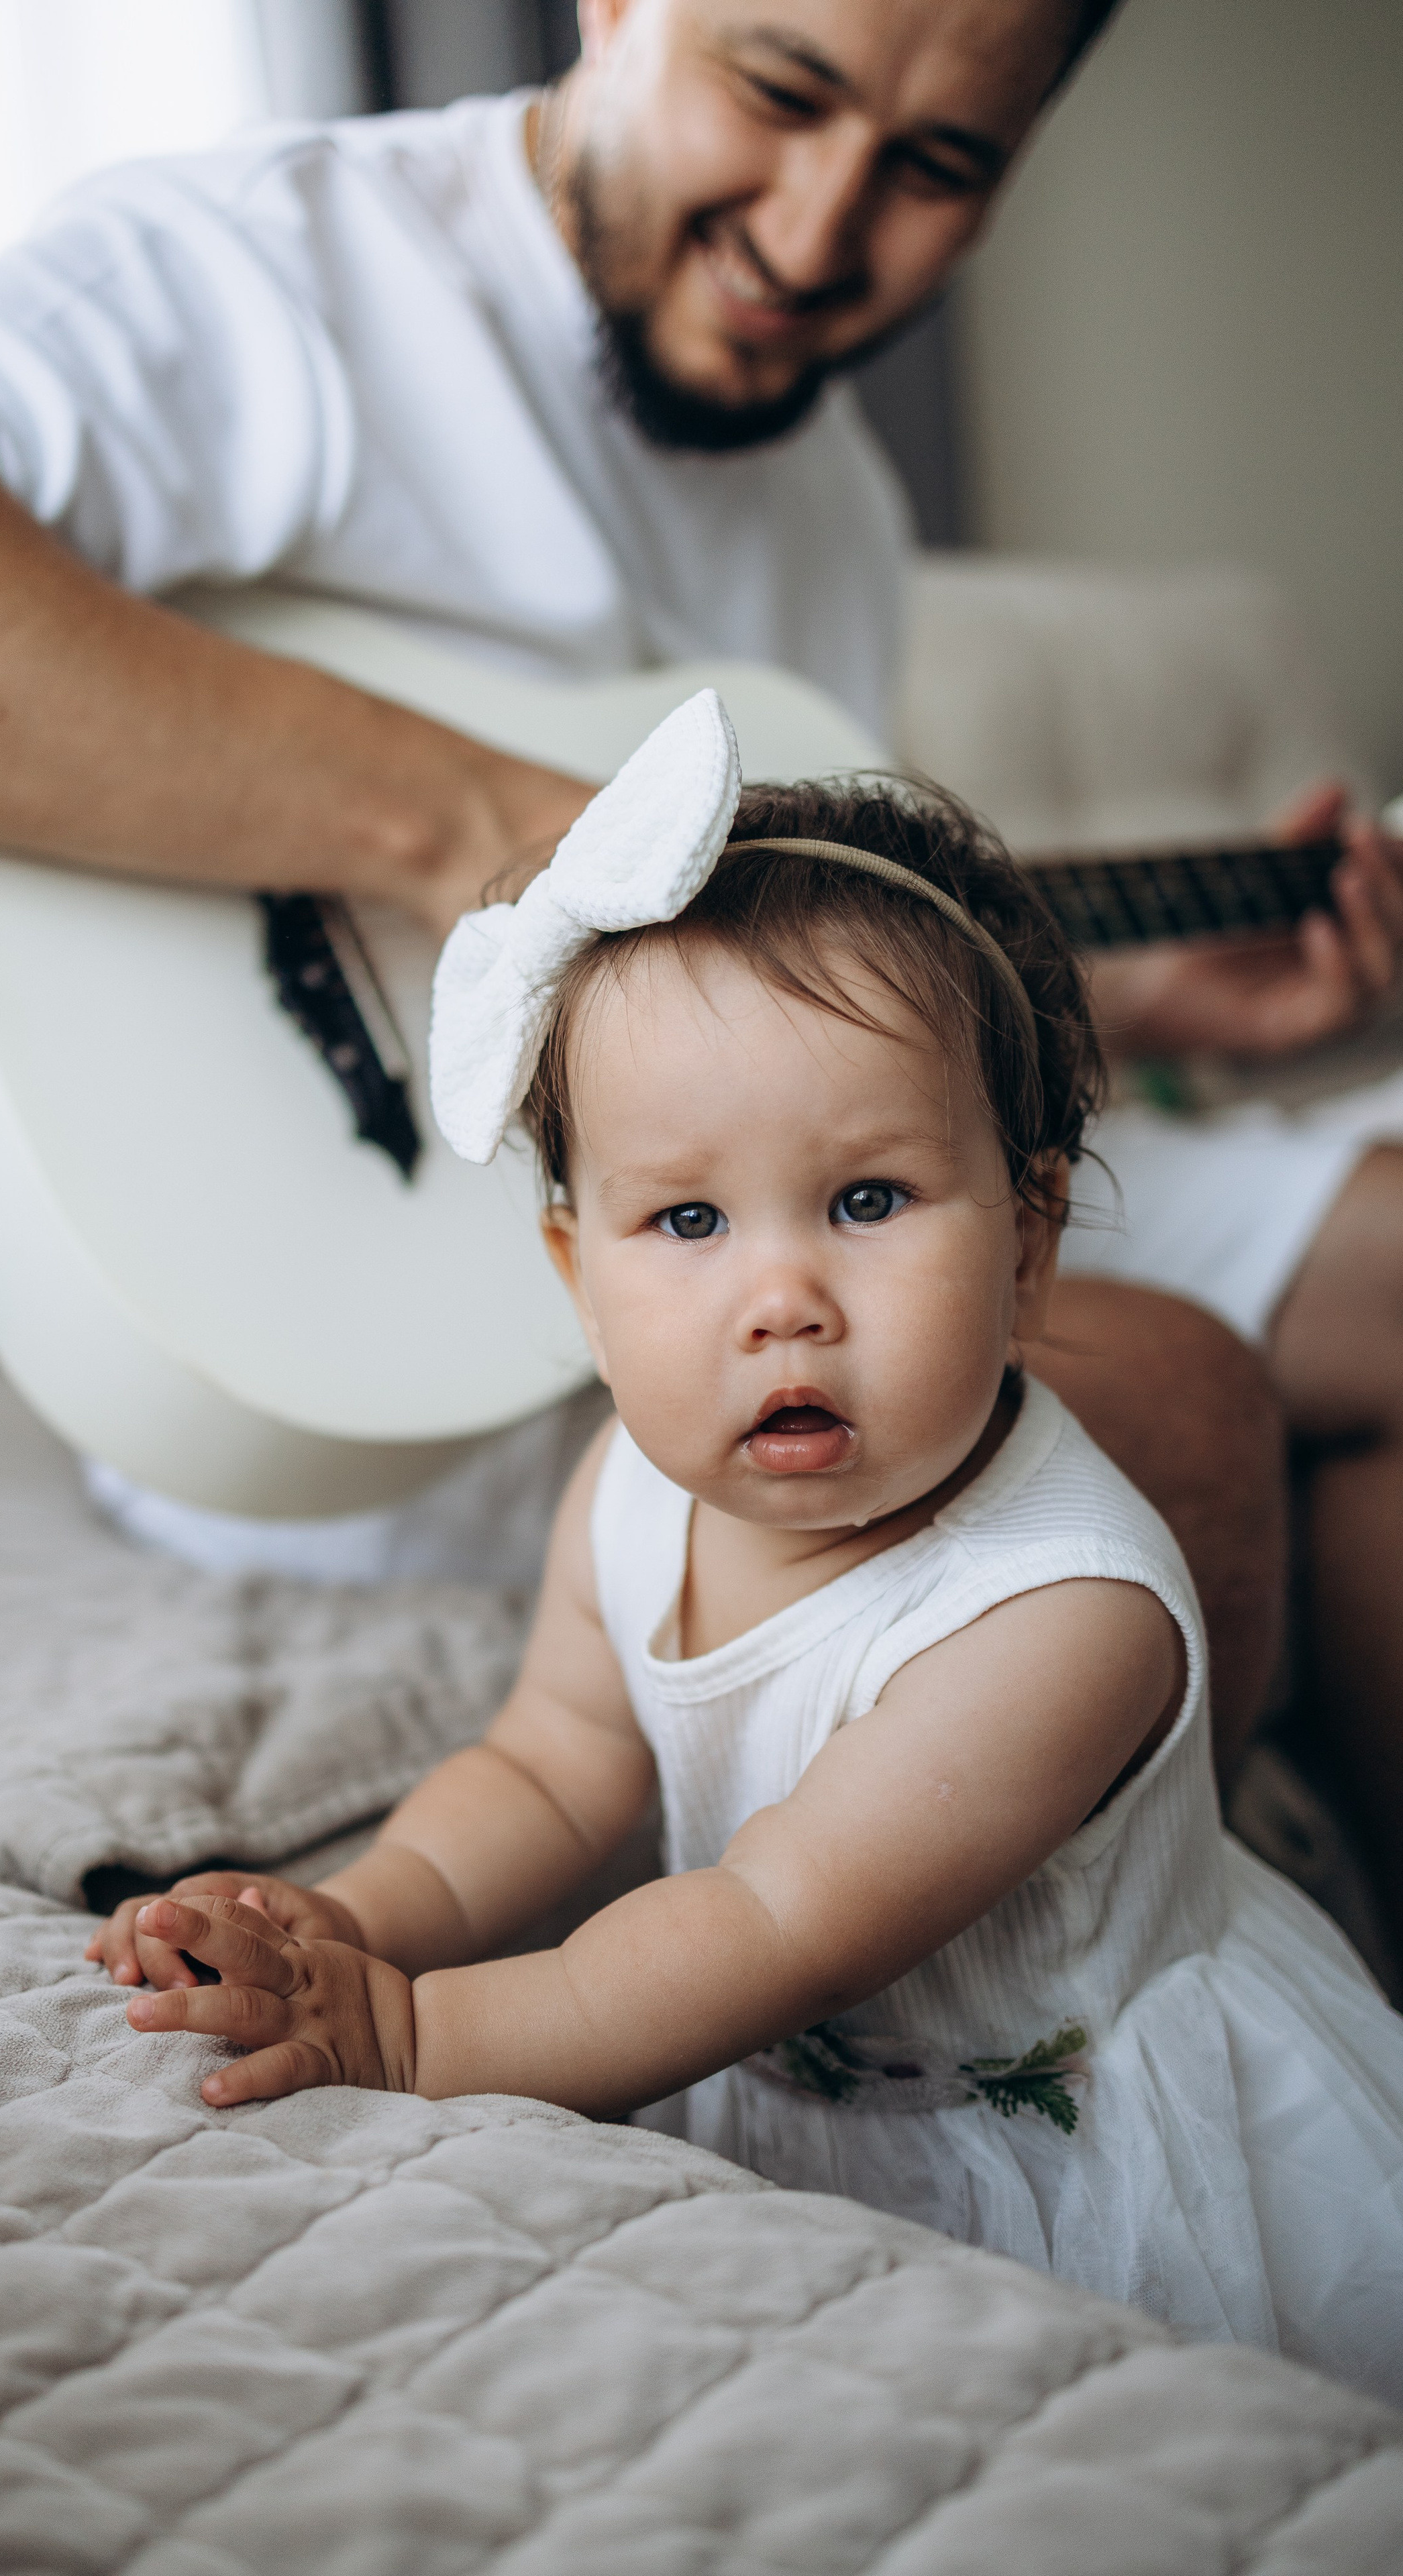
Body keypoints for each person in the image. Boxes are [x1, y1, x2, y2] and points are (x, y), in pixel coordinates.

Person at [0, 1, 1398, 1847]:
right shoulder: (279, 272)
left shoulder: (832, 495)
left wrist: (1120, 1000)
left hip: (748, 1206)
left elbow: (777, 1040)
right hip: (372, 1317)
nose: (816, 233)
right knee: (1177, 1398)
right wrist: (481, 833)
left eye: (934, 166)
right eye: (778, 91)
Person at [89, 699, 1403, 2402]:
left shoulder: (1059, 1613)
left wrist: (409, 2032)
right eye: (688, 1220)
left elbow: (773, 1920)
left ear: (1028, 1242)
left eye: (865, 1200)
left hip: (1072, 2141)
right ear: (578, 1278)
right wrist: (354, 1919)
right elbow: (548, 1768)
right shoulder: (633, 1493)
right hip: (777, 2065)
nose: (779, 1298)